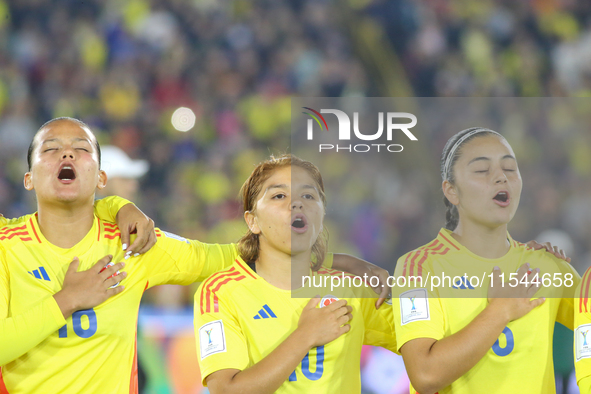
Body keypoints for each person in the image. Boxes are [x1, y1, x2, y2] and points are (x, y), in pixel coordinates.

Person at [0, 118, 390, 393]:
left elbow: (232, 255)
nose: (66, 156)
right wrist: (68, 300)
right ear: (29, 178)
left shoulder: (134, 244)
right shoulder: (5, 245)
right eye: (50, 150)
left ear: (100, 177)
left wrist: (336, 262)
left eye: (81, 149)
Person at [392, 127, 580, 394]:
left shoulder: (548, 267)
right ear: (451, 191)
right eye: (482, 170)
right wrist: (500, 311)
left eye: (510, 168)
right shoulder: (419, 268)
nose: (501, 177)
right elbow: (425, 374)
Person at [194, 154, 397, 393]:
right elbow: (226, 390)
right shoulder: (221, 293)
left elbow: (427, 338)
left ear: (321, 217)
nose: (296, 203)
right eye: (279, 195)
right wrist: (306, 335)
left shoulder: (350, 289)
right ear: (253, 221)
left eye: (308, 196)